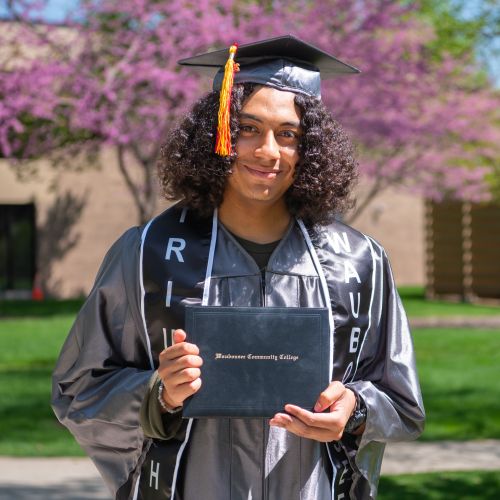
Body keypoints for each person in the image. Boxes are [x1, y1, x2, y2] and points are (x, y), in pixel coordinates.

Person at [52, 35, 425, 500]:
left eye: (288, 134)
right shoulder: (146, 253)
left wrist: (355, 408)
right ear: (216, 134)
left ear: (310, 149)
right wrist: (157, 394)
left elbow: (403, 403)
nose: (267, 151)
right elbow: (77, 391)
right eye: (247, 128)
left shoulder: (359, 261)